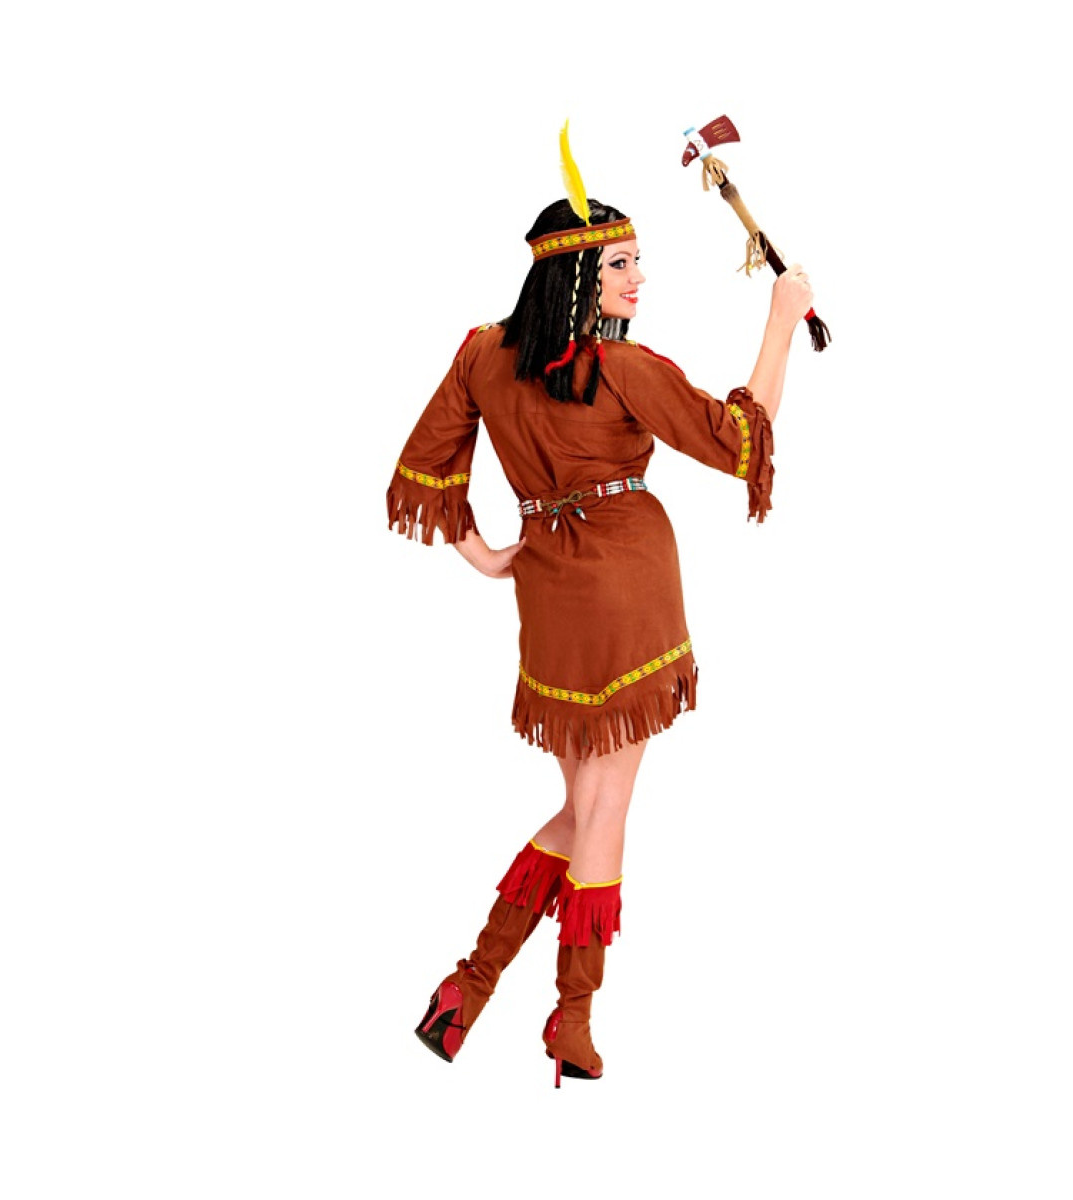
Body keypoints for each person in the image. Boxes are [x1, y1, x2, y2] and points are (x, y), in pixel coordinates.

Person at [388, 143, 814, 1087]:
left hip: (548, 593)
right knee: (605, 807)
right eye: (621, 263)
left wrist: (487, 553)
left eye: (637, 261)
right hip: (628, 590)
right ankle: (570, 1022)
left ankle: (467, 989)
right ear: (577, 272)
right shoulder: (619, 367)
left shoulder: (483, 354)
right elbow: (740, 441)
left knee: (584, 804)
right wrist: (780, 320)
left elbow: (424, 464)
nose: (638, 278)